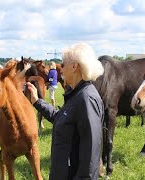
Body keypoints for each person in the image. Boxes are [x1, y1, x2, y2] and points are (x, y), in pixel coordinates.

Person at [26, 43, 105, 179]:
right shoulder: (76, 94)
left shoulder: (86, 99)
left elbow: (91, 154)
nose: (60, 70)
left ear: (74, 66)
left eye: (62, 65)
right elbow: (61, 118)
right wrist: (37, 102)